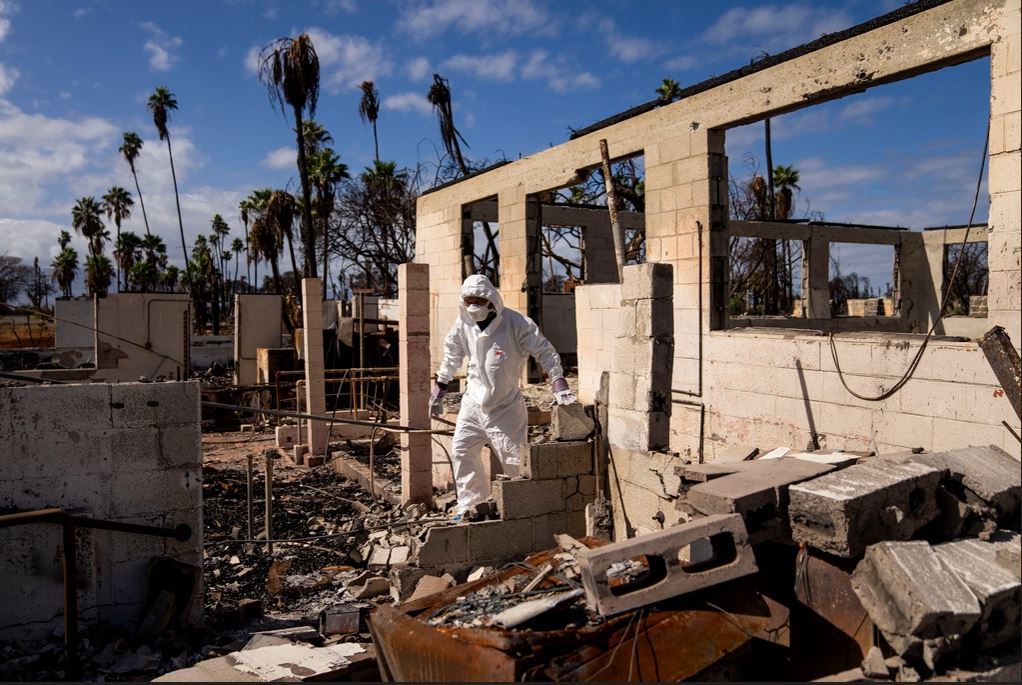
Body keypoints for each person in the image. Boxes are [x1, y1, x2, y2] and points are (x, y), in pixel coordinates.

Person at [429, 274, 576, 521]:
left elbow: (545, 352)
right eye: (468, 300)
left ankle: (523, 511)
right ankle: (470, 505)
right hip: (473, 404)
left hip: (505, 408)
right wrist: (439, 389)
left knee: (514, 461)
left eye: (478, 300)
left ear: (490, 300)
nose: (473, 306)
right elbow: (451, 355)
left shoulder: (516, 323)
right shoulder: (463, 324)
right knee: (462, 451)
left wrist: (559, 383)